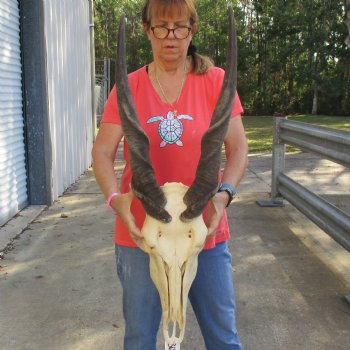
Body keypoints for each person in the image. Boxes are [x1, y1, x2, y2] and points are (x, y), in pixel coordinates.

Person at [92, 0, 248, 349]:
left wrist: (224, 195)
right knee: (140, 339)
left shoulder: (216, 81)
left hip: (203, 231)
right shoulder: (127, 87)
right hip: (142, 233)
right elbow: (102, 153)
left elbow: (238, 149)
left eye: (179, 26)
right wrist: (116, 200)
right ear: (147, 30)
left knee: (224, 338)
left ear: (192, 30)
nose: (170, 36)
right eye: (161, 27)